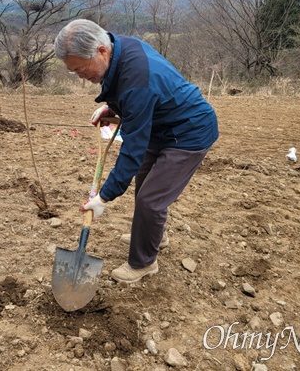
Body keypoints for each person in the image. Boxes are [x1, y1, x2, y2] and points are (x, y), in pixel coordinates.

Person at [54, 19, 219, 283]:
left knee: (151, 199)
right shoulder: (120, 46)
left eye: (81, 69)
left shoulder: (136, 81)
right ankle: (153, 235)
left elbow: (133, 148)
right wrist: (114, 108)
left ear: (100, 51)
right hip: (161, 124)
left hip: (189, 132)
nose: (81, 77)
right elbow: (131, 92)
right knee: (145, 186)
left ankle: (143, 263)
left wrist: (104, 197)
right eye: (74, 72)